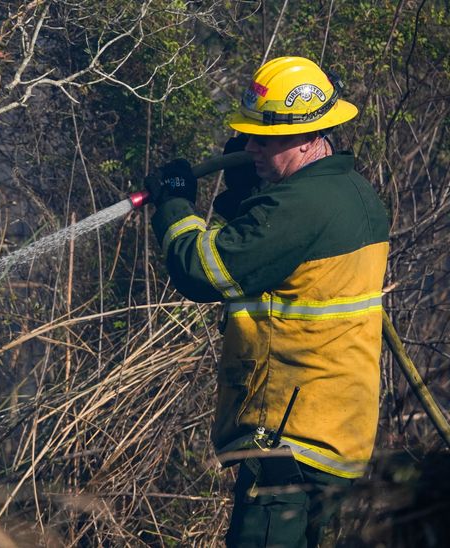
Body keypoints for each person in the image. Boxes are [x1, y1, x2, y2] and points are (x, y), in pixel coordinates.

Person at [144, 56, 389, 547]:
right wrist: (239, 200)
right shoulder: (352, 194)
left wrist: (174, 204)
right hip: (334, 437)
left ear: (307, 135)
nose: (251, 146)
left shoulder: (299, 207)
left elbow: (200, 271)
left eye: (264, 137)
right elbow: (267, 264)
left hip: (287, 443)